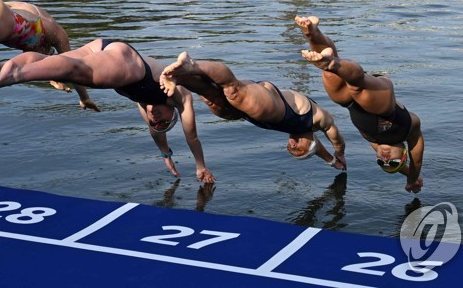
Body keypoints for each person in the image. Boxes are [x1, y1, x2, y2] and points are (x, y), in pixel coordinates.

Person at [0, 39, 214, 183]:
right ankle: (11, 75)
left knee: (70, 67)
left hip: (103, 48)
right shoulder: (180, 97)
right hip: (128, 61)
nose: (155, 119)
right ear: (173, 114)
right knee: (73, 69)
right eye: (162, 121)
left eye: (154, 122)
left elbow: (156, 135)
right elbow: (191, 136)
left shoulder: (145, 106)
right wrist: (200, 166)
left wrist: (165, 155)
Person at [295, 15, 424, 193]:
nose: (385, 158)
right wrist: (412, 179)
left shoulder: (373, 142)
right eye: (392, 161)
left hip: (348, 103)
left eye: (381, 162)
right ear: (403, 154)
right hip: (383, 101)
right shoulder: (410, 131)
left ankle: (311, 32)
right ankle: (331, 61)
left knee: (328, 74)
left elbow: (391, 160)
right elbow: (416, 161)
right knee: (356, 86)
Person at [159, 51, 346, 169]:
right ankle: (192, 65)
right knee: (233, 91)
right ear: (312, 140)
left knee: (214, 102)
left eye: (291, 149)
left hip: (254, 113)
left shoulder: (304, 134)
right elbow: (333, 136)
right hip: (275, 104)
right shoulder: (318, 118)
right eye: (298, 148)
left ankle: (179, 78)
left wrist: (331, 161)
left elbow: (314, 148)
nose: (292, 146)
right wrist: (340, 153)